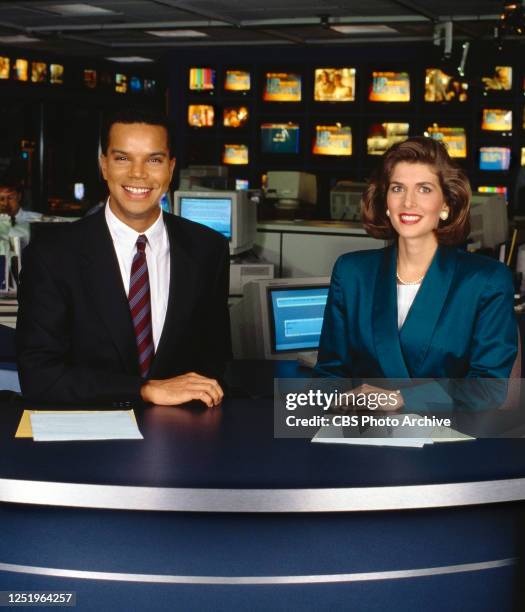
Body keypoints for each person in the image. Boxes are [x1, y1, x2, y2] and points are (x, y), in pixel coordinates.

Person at [16, 108, 231, 407]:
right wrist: (143, 390)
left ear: (170, 168)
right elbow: (40, 378)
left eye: (153, 160)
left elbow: (216, 363)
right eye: (122, 158)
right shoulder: (51, 256)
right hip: (85, 438)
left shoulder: (209, 249)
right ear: (104, 166)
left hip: (182, 437)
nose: (138, 174)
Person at [316, 136, 517, 410]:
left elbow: (488, 388)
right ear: (386, 202)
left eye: (424, 189)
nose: (408, 202)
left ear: (446, 204)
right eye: (398, 188)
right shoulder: (351, 273)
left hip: (447, 438)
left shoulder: (486, 280)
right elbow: (329, 375)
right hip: (363, 432)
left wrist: (404, 398)